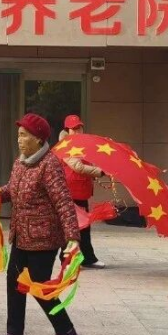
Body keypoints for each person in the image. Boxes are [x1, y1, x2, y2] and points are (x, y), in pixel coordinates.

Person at [0, 113, 81, 335]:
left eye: (24, 135)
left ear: (39, 139)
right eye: (18, 135)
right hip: (21, 235)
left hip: (44, 238)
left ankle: (66, 330)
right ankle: (14, 334)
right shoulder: (20, 162)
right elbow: (13, 190)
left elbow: (63, 201)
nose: (19, 140)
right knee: (14, 282)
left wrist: (73, 238)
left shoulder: (50, 165)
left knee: (39, 285)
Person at [59, 114, 106, 270]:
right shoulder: (65, 146)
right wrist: (99, 172)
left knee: (84, 227)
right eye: (74, 129)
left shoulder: (81, 146)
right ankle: (66, 261)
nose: (77, 131)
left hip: (81, 193)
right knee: (70, 228)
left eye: (79, 128)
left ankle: (88, 259)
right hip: (70, 194)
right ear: (67, 130)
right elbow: (77, 167)